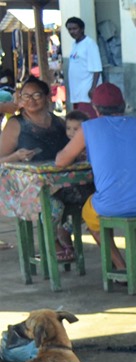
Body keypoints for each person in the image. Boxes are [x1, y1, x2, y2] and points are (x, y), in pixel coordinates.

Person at [54, 83, 136, 282]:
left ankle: (122, 268)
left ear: (95, 109)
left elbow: (61, 161)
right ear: (123, 105)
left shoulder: (88, 128)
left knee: (89, 216)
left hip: (110, 205)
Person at [0, 77, 78, 262]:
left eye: (36, 95)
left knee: (89, 197)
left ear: (47, 96)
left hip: (59, 182)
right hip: (25, 187)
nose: (31, 100)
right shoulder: (15, 125)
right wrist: (16, 156)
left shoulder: (59, 122)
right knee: (53, 206)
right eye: (25, 96)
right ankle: (52, 243)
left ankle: (63, 231)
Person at [64, 17, 102, 119]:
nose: (72, 31)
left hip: (86, 91)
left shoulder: (89, 44)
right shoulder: (75, 45)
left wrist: (93, 88)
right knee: (79, 120)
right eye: (69, 29)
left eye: (75, 28)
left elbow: (97, 68)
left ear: (82, 29)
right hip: (76, 92)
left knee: (88, 119)